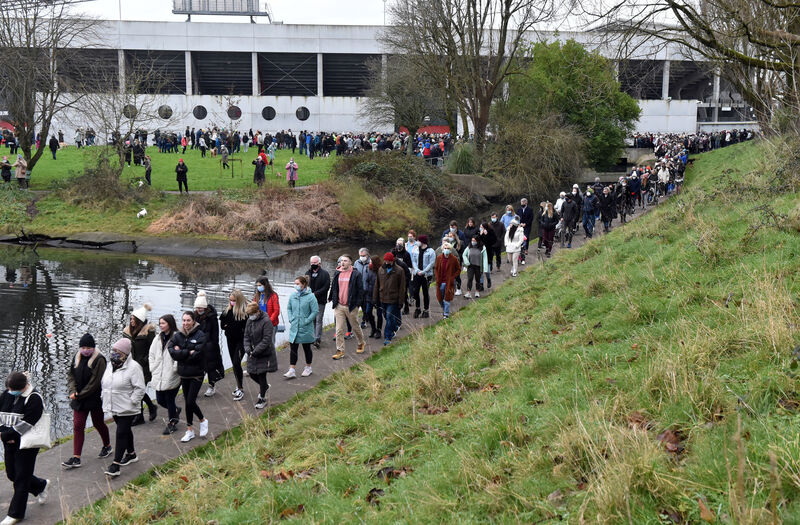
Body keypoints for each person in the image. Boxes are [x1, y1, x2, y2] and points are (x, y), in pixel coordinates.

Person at [0, 372, 49, 524]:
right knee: (12, 474)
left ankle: (16, 514)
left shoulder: (34, 398)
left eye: (13, 389)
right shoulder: (6, 394)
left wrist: (8, 436)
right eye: (9, 389)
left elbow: (28, 423)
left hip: (26, 444)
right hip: (8, 441)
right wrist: (3, 433)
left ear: (23, 387)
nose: (10, 392)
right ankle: (41, 485)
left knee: (21, 477)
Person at [62, 334, 112, 469]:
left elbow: (94, 383)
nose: (85, 350)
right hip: (78, 398)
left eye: (88, 347)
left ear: (93, 348)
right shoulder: (77, 357)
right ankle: (76, 457)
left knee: (98, 423)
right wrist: (72, 391)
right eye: (83, 347)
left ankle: (107, 445)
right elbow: (70, 375)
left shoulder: (100, 360)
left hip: (94, 398)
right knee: (78, 425)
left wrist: (80, 395)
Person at [101, 339, 146, 478]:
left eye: (118, 351)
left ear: (125, 353)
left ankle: (116, 464)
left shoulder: (134, 367)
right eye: (113, 350)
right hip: (114, 405)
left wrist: (132, 401)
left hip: (127, 407)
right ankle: (132, 454)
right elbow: (105, 382)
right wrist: (104, 396)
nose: (114, 353)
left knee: (120, 432)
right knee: (125, 430)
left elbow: (140, 388)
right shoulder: (110, 365)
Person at [169, 311, 209, 443]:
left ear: (193, 321)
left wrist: (180, 351)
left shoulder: (200, 335)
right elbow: (172, 351)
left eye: (188, 320)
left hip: (197, 373)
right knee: (187, 402)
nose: (185, 323)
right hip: (184, 373)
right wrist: (187, 352)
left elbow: (197, 354)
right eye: (184, 320)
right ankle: (190, 430)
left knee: (190, 401)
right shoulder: (178, 335)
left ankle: (203, 420)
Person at [122, 303, 157, 426]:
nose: (131, 321)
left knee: (138, 390)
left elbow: (154, 348)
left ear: (139, 321)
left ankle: (140, 415)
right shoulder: (127, 331)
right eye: (130, 319)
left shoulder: (149, 332)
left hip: (144, 367)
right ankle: (151, 407)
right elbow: (124, 347)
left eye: (133, 319)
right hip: (131, 366)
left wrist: (145, 359)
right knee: (135, 390)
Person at [328, 254, 366, 360]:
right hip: (339, 305)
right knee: (339, 329)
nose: (343, 262)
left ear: (350, 262)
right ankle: (340, 350)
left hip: (351, 306)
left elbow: (360, 290)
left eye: (345, 260)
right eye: (341, 261)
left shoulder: (356, 274)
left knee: (355, 326)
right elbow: (334, 287)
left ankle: (361, 342)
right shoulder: (337, 273)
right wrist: (331, 297)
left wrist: (357, 304)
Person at [149, 315, 182, 435]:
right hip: (159, 372)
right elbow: (151, 354)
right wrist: (152, 367)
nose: (161, 325)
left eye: (163, 323)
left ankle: (172, 423)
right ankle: (175, 411)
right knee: (160, 399)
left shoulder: (177, 337)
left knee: (169, 398)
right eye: (160, 323)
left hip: (171, 373)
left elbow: (180, 354)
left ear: (169, 324)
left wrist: (175, 368)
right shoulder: (158, 338)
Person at [244, 302, 277, 409]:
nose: (250, 317)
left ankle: (262, 398)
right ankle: (265, 387)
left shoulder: (266, 321)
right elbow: (246, 337)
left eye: (252, 314)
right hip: (252, 352)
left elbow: (267, 339)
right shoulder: (249, 321)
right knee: (251, 372)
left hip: (264, 353)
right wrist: (248, 349)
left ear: (257, 312)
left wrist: (256, 351)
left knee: (261, 374)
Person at [284, 276, 319, 379]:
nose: (296, 285)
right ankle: (292, 370)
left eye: (298, 284)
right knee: (293, 348)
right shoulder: (292, 296)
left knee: (306, 348)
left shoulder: (311, 297)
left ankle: (308, 367)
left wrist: (307, 321)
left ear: (304, 284)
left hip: (306, 327)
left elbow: (315, 311)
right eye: (295, 283)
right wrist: (291, 318)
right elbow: (289, 308)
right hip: (295, 326)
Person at [194, 291, 224, 398]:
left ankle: (211, 386)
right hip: (198, 346)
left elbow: (215, 334)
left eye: (201, 308)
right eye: (197, 308)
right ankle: (195, 388)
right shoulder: (195, 316)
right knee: (198, 369)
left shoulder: (212, 318)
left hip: (209, 346)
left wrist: (211, 346)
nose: (199, 310)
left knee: (211, 368)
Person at [373, 252, 406, 345]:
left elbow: (402, 287)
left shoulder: (399, 271)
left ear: (392, 260)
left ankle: (387, 337)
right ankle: (394, 328)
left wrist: (401, 301)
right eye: (386, 260)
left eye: (389, 260)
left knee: (389, 316)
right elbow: (377, 285)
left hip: (393, 299)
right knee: (387, 317)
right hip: (382, 298)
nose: (387, 262)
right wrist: (375, 298)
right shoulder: (381, 270)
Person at [220, 290, 248, 401]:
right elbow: (223, 325)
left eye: (234, 300)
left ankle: (241, 388)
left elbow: (246, 328)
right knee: (234, 364)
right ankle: (238, 384)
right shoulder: (227, 311)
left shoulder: (244, 313)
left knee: (237, 362)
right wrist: (228, 326)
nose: (232, 302)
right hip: (230, 340)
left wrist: (230, 326)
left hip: (241, 341)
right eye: (230, 300)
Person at [305, 255, 330, 347]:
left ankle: (317, 339)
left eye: (315, 263)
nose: (313, 264)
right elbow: (304, 285)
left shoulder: (325, 274)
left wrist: (315, 294)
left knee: (319, 319)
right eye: (312, 263)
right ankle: (312, 336)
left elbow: (326, 287)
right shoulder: (307, 273)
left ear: (319, 263)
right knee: (312, 320)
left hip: (320, 300)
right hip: (309, 301)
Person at [410, 234, 435, 319]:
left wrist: (424, 271)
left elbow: (431, 263)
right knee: (415, 291)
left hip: (426, 275)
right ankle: (418, 308)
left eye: (418, 241)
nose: (417, 242)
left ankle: (426, 309)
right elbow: (413, 261)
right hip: (417, 274)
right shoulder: (416, 250)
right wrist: (417, 270)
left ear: (422, 242)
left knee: (425, 292)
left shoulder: (430, 251)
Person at [434, 242, 461, 319]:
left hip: (449, 282)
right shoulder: (439, 258)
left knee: (447, 297)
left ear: (450, 250)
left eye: (448, 248)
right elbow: (436, 268)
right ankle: (444, 308)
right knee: (440, 297)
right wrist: (436, 276)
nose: (446, 250)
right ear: (442, 249)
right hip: (440, 281)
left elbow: (458, 269)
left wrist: (453, 276)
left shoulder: (454, 259)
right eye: (445, 248)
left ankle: (446, 314)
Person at [254, 276, 280, 346]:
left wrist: (269, 321)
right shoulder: (257, 295)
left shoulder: (273, 295)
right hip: (259, 324)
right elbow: (254, 309)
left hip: (270, 324)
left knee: (270, 345)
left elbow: (276, 311)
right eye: (257, 286)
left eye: (260, 285)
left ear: (265, 285)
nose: (258, 287)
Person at [391, 238, 413, 315]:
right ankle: (396, 308)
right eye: (397, 244)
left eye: (400, 244)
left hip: (404, 275)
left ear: (403, 245)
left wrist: (407, 278)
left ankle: (406, 307)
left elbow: (409, 266)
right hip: (394, 276)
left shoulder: (406, 254)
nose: (398, 246)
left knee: (404, 293)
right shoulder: (393, 252)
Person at [517, 198, 534, 264]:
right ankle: (521, 249)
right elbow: (517, 217)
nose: (522, 203)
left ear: (526, 202)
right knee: (520, 237)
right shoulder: (519, 210)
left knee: (526, 237)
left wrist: (526, 224)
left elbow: (531, 218)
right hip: (520, 225)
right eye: (522, 202)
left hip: (527, 226)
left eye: (524, 202)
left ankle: (526, 249)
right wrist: (520, 223)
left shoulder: (530, 209)